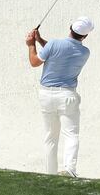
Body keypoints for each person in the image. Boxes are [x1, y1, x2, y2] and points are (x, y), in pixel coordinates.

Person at [25, 16, 94, 177]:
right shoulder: (85, 52)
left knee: (50, 137)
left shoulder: (55, 44)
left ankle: (51, 174)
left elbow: (35, 61)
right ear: (85, 36)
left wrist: (31, 45)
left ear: (70, 27)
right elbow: (58, 52)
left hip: (46, 95)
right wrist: (40, 39)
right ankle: (69, 170)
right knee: (71, 134)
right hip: (67, 96)